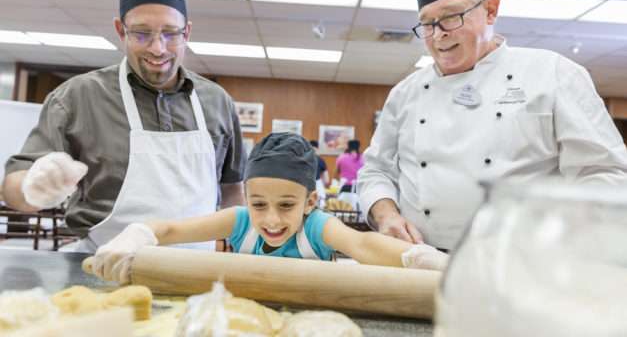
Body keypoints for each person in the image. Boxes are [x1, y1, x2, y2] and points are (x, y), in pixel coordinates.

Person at [357, 0, 627, 251]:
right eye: (427, 23)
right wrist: (386, 215)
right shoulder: (405, 93)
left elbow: (605, 173)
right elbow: (376, 171)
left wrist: (555, 228)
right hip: (421, 257)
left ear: (491, 10)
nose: (438, 34)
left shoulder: (553, 74)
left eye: (451, 17)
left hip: (523, 260)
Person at [2, 0, 246, 252]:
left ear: (187, 32)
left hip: (197, 272)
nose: (158, 48)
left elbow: (232, 190)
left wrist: (235, 248)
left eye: (170, 34)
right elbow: (14, 188)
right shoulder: (77, 98)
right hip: (100, 270)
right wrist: (32, 187)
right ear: (121, 30)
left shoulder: (217, 102)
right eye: (142, 34)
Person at [90, 133, 448, 284]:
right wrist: (137, 235)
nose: (271, 219)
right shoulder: (239, 221)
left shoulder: (317, 227)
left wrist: (415, 257)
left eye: (287, 205)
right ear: (245, 196)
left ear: (310, 202)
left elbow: (365, 245)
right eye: (259, 204)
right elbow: (172, 230)